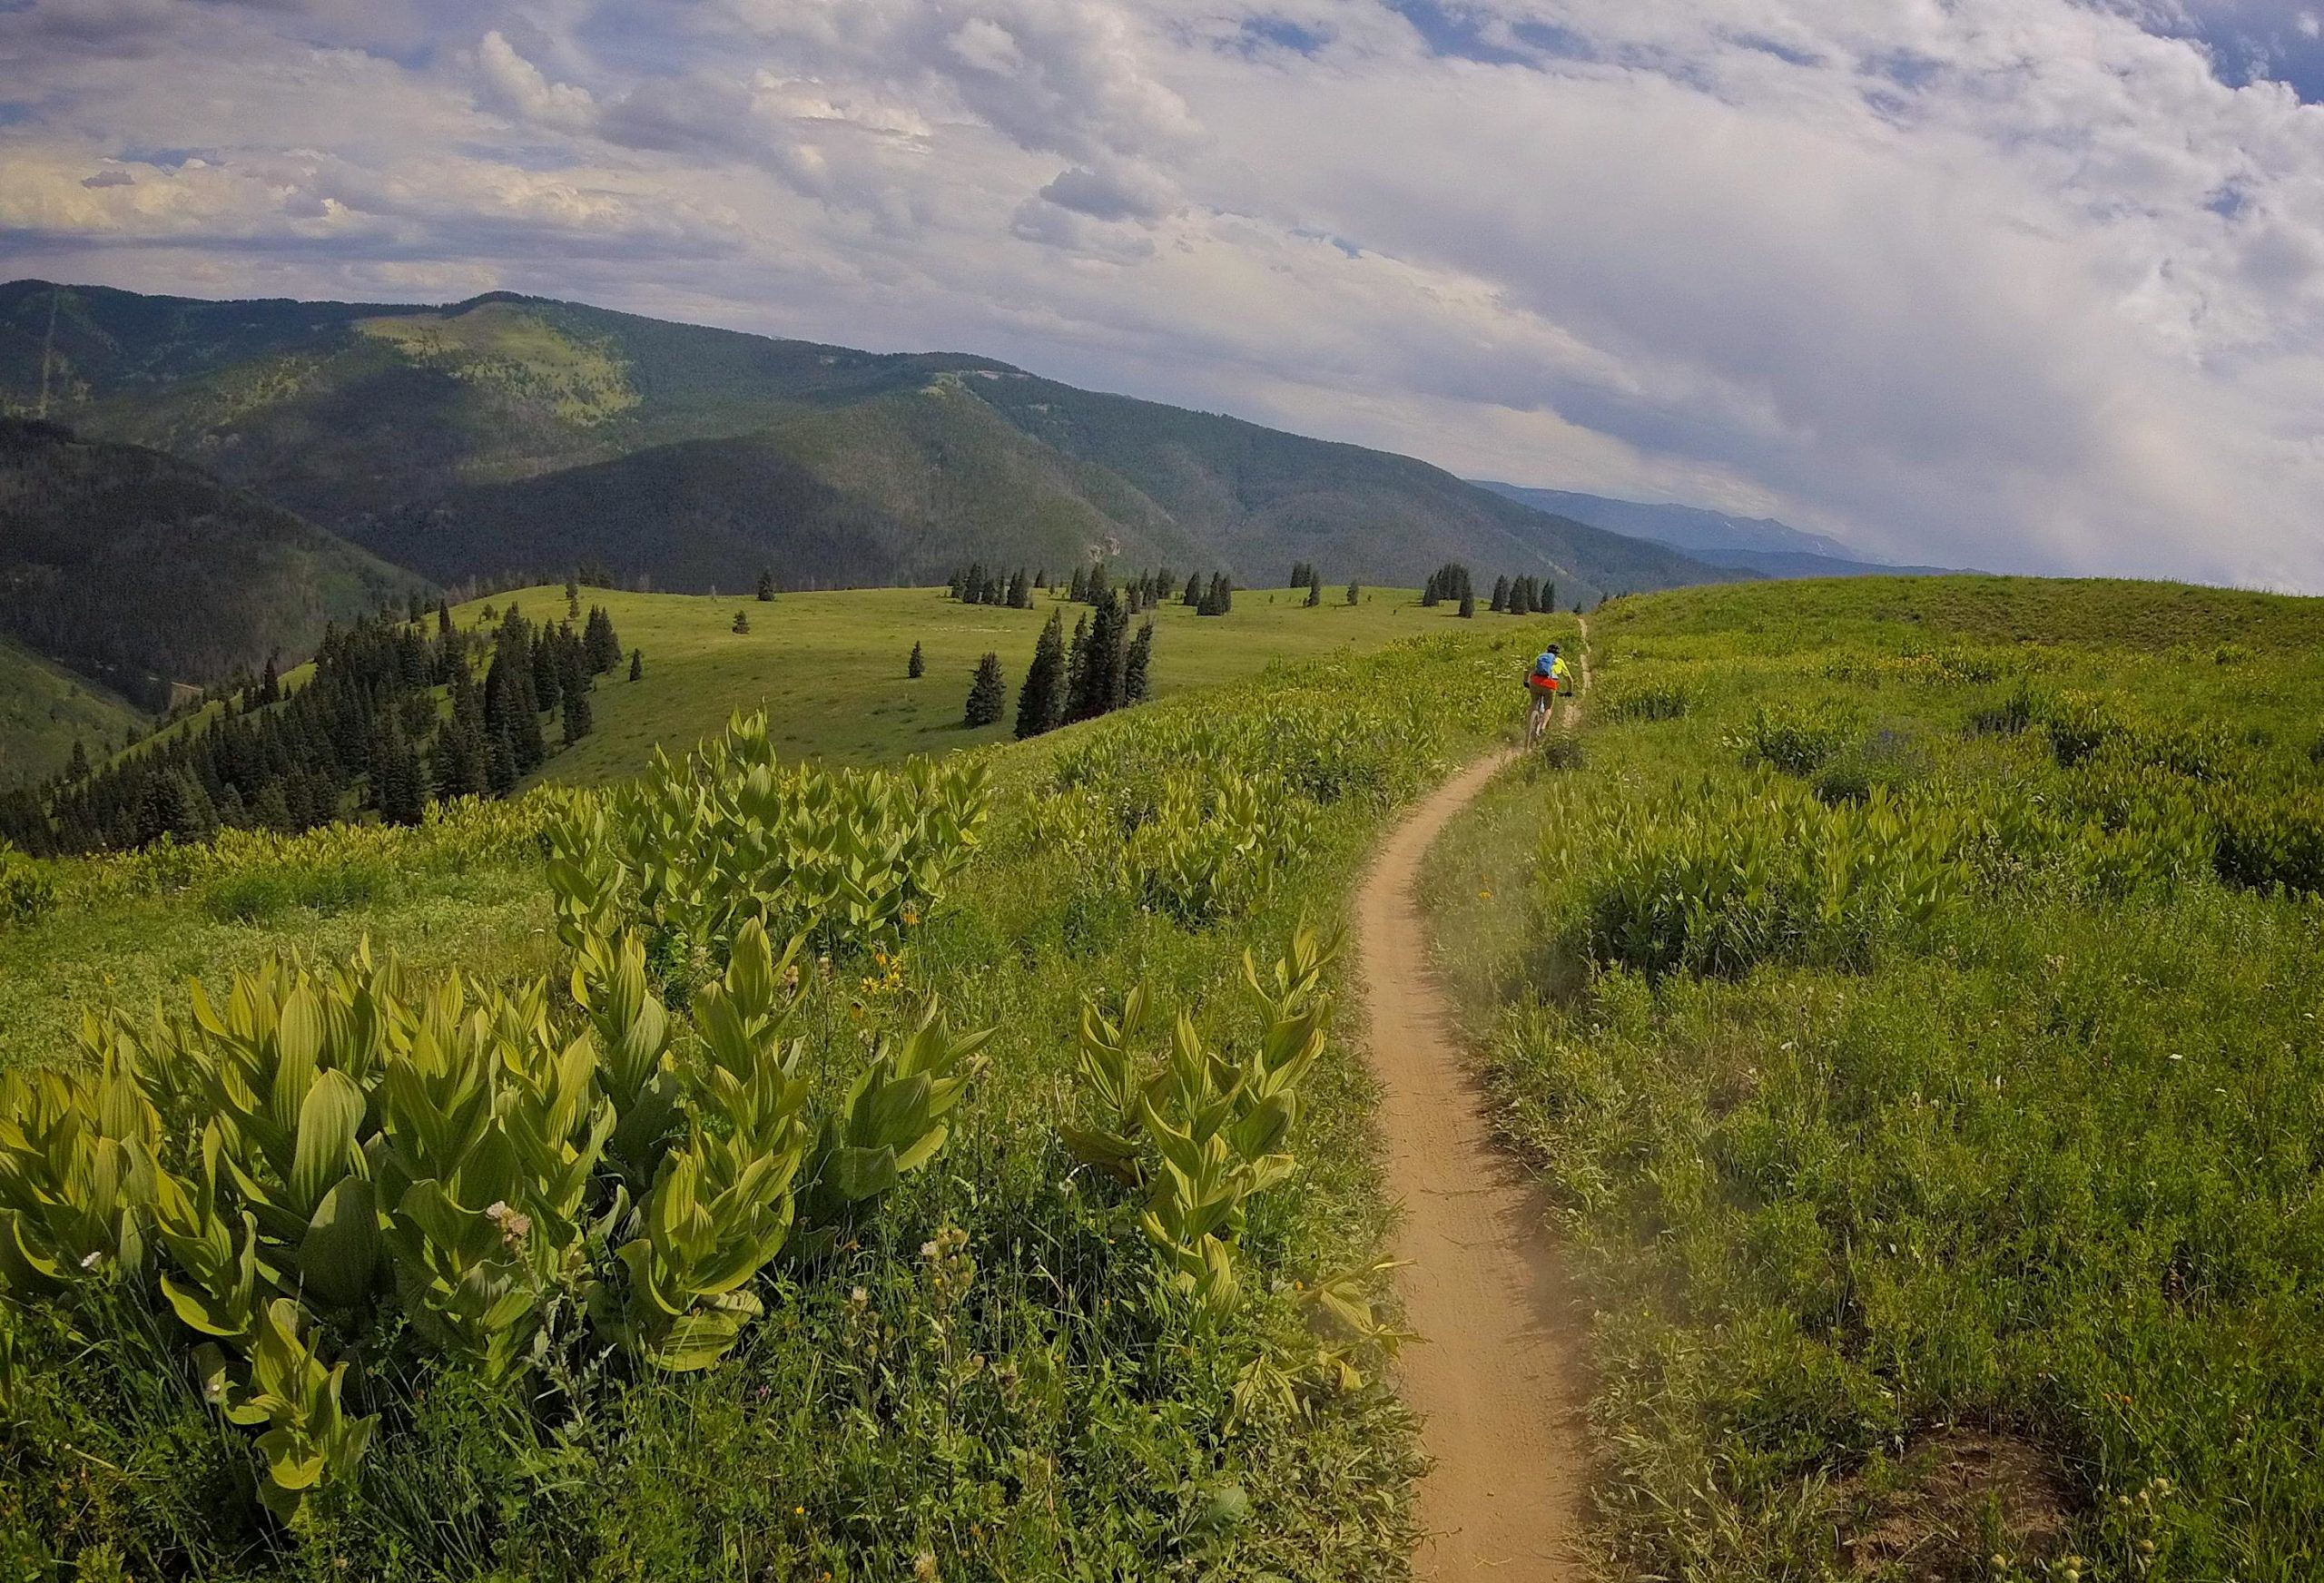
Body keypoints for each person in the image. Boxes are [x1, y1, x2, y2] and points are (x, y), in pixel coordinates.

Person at [1525, 644, 1569, 743]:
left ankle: (1529, 724)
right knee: (1548, 708)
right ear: (1557, 654)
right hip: (1550, 685)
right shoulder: (1559, 661)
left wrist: (1525, 681)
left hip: (1535, 682)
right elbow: (1569, 679)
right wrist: (1569, 691)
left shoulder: (1540, 657)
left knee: (1534, 701)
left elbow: (1527, 668)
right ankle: (1542, 727)